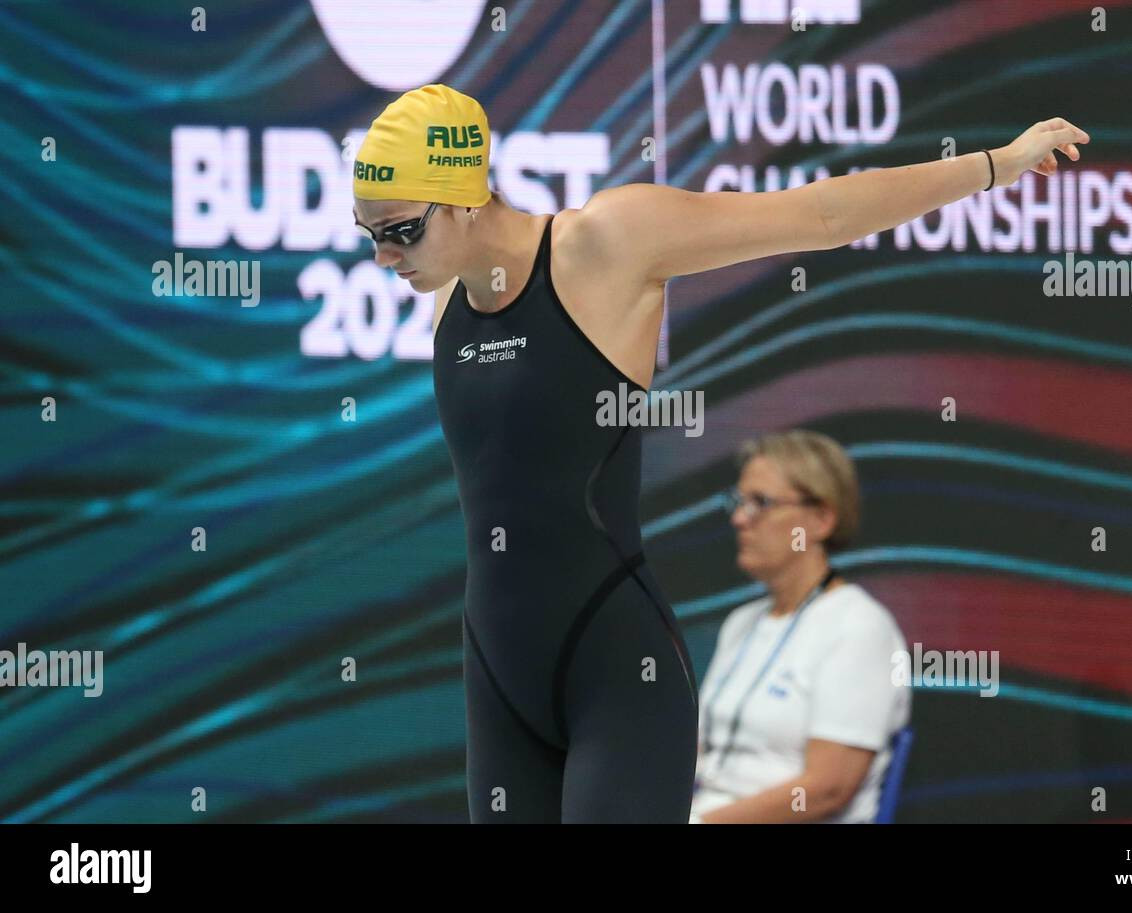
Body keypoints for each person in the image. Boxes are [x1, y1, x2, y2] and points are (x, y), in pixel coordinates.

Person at [351, 82, 1087, 823]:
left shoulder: (605, 243)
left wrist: (996, 164)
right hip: (498, 680)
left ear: (463, 199)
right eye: (368, 233)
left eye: (402, 231)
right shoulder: (448, 296)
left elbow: (822, 215)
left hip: (614, 671)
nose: (384, 256)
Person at [691, 431, 909, 823]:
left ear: (821, 519)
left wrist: (701, 824)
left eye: (761, 503)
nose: (739, 518)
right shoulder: (742, 623)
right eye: (739, 502)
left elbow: (828, 789)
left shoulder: (858, 627)